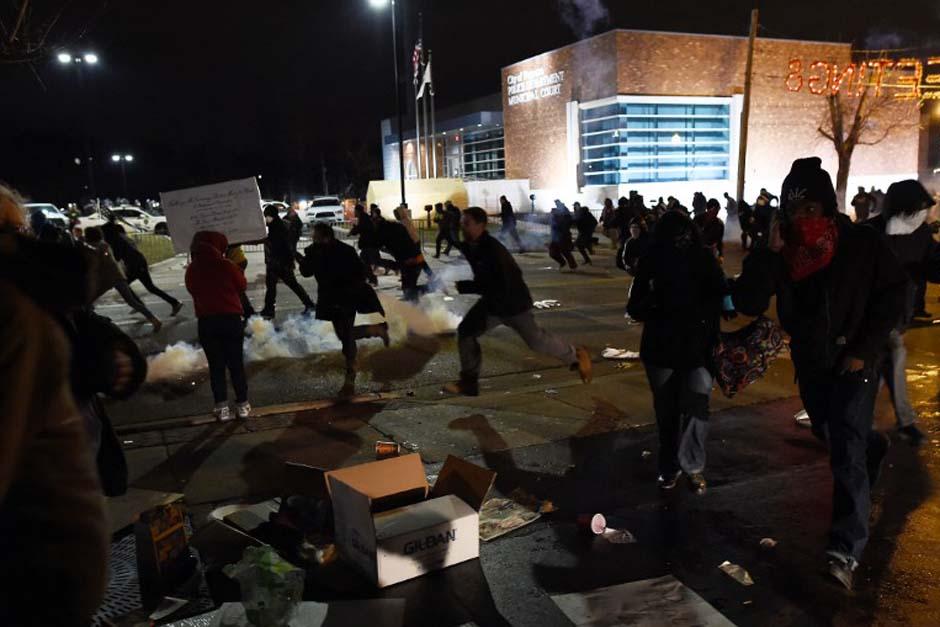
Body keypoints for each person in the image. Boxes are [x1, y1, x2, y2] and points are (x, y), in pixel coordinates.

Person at [733, 157, 907, 590]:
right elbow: (748, 303)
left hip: (855, 361)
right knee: (835, 435)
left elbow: (894, 293)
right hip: (812, 364)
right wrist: (765, 254)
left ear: (828, 208)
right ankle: (873, 445)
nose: (802, 218)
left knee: (845, 449)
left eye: (810, 208)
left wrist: (865, 349)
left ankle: (844, 550)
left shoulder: (861, 244)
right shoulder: (783, 251)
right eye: (794, 209)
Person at [442, 207, 592, 396]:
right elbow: (455, 240)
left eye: (467, 223)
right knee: (466, 332)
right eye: (462, 223)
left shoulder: (492, 249)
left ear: (481, 225)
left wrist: (465, 287)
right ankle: (469, 383)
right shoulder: (474, 244)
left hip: (512, 303)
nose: (463, 227)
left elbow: (498, 282)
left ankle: (575, 356)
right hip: (493, 302)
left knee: (537, 341)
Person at [627, 211, 726, 495]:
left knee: (696, 407)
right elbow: (634, 307)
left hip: (696, 349)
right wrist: (658, 299)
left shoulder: (704, 259)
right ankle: (670, 467)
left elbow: (722, 293)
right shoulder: (651, 260)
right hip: (662, 350)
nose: (680, 242)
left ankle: (692, 466)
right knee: (668, 412)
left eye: (684, 235)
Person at [865, 180, 940, 446]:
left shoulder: (920, 234)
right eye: (918, 208)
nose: (923, 214)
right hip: (869, 317)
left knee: (883, 367)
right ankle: (898, 423)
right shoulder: (870, 233)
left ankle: (865, 423)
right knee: (891, 359)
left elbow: (932, 265)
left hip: (897, 316)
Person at [297, 223, 390, 395]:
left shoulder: (344, 250)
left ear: (326, 236)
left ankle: (351, 366)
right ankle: (375, 330)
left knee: (346, 333)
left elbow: (360, 269)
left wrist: (355, 284)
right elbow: (306, 272)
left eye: (316, 235)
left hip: (346, 297)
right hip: (328, 297)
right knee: (342, 334)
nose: (313, 237)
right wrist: (301, 258)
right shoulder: (313, 251)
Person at [186, 231, 251, 421]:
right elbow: (242, 285)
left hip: (207, 322)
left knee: (216, 367)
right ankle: (242, 405)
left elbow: (192, 289)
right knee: (236, 364)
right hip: (231, 320)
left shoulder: (192, 268)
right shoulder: (226, 265)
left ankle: (221, 408)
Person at [101, 211, 184, 318]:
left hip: (136, 265)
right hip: (137, 263)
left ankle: (142, 304)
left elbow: (117, 257)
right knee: (146, 287)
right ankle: (172, 303)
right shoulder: (119, 238)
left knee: (127, 285)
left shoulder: (116, 242)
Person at [84, 226, 164, 331]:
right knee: (130, 301)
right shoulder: (99, 245)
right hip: (113, 278)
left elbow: (98, 261)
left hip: (111, 278)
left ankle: (154, 319)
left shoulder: (100, 246)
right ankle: (154, 320)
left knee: (89, 300)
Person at [260, 204, 315, 319]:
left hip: (280, 262)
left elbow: (280, 244)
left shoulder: (278, 226)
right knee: (276, 285)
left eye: (266, 215)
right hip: (279, 262)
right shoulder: (277, 224)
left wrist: (267, 241)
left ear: (271, 215)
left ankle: (269, 309)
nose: (265, 218)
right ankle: (269, 309)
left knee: (283, 285)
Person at [376, 212, 427, 301]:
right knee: (407, 288)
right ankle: (412, 299)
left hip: (411, 261)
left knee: (410, 290)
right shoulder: (396, 229)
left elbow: (416, 253)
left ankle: (432, 287)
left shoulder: (394, 232)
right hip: (408, 261)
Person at [226, 243, 256, 319]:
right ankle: (246, 311)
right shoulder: (231, 237)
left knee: (237, 288)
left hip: (237, 262)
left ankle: (247, 311)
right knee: (236, 288)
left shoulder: (228, 239)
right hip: (239, 261)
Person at [549, 199, 578, 270]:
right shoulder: (556, 215)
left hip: (562, 236)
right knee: (553, 253)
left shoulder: (564, 212)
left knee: (565, 251)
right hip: (555, 237)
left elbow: (567, 222)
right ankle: (563, 263)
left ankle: (573, 266)